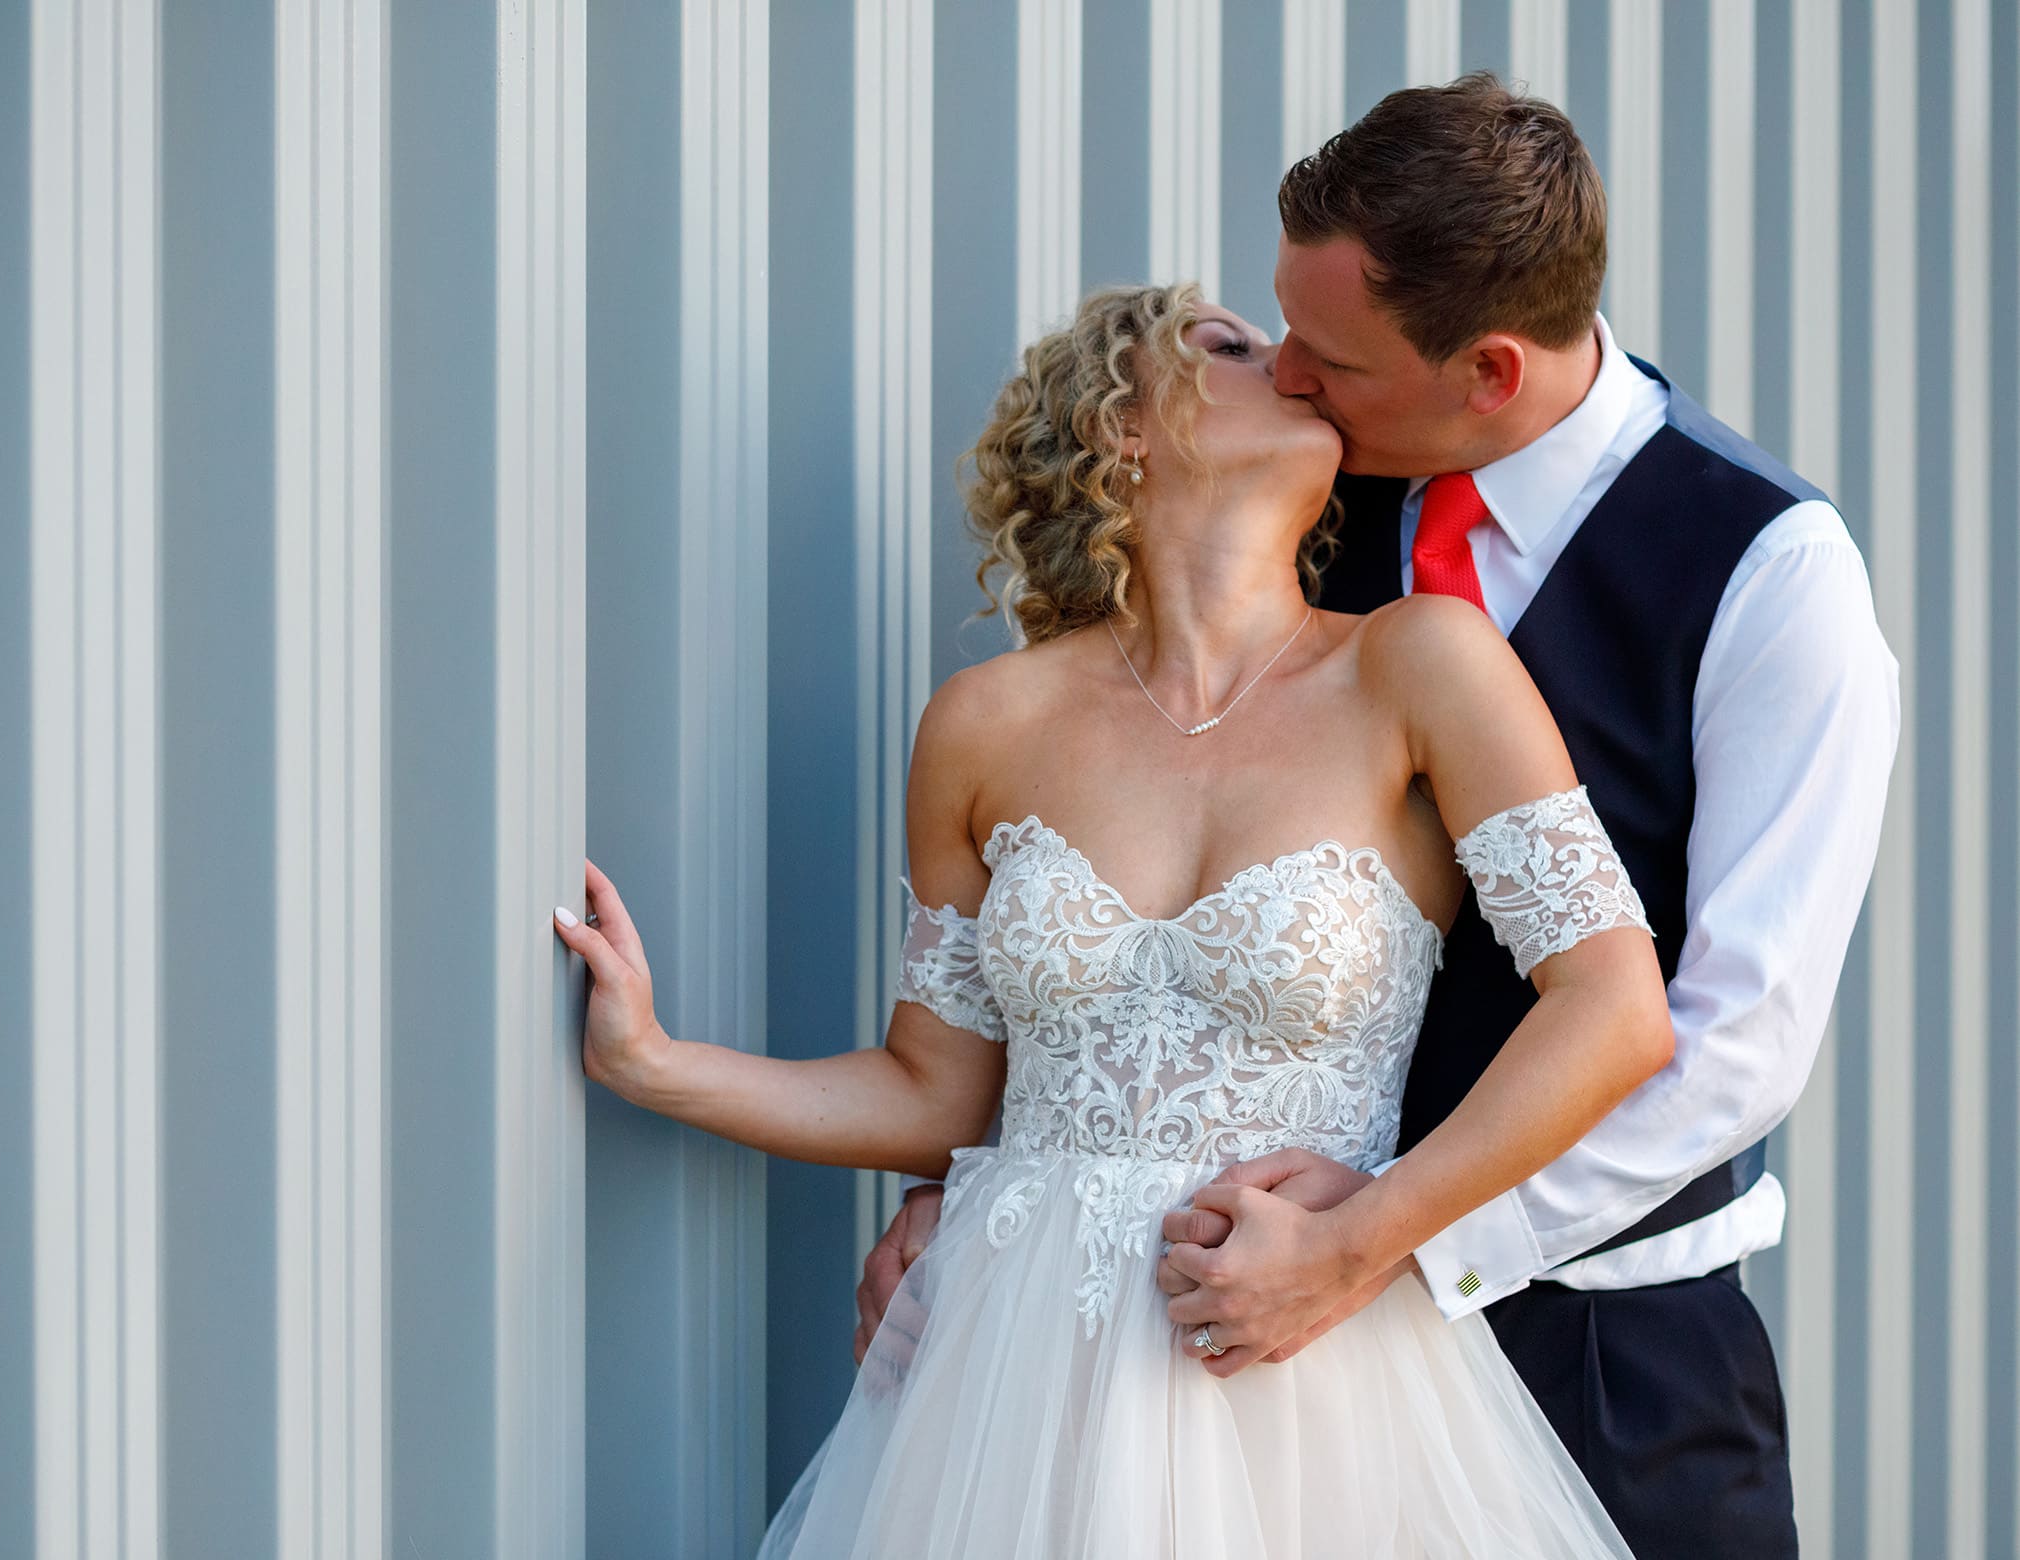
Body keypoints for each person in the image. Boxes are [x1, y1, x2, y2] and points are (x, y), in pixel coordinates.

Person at [860, 76, 1897, 1558]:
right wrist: (953, 1184)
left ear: (1483, 370)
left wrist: (1393, 1243)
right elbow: (1084, 863)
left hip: (1610, 1354)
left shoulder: (1770, 574)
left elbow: (1737, 1039)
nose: (1286, 374)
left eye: (1330, 357)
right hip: (1237, 1364)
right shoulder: (1297, 508)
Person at [559, 275, 1670, 1554]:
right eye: (1230, 345)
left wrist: (1371, 1233)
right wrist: (656, 1064)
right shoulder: (988, 723)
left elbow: (1616, 1010)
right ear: (1121, 428)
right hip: (1013, 1385)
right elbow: (937, 1092)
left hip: (1305, 1370)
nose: (1294, 365)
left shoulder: (1418, 665)